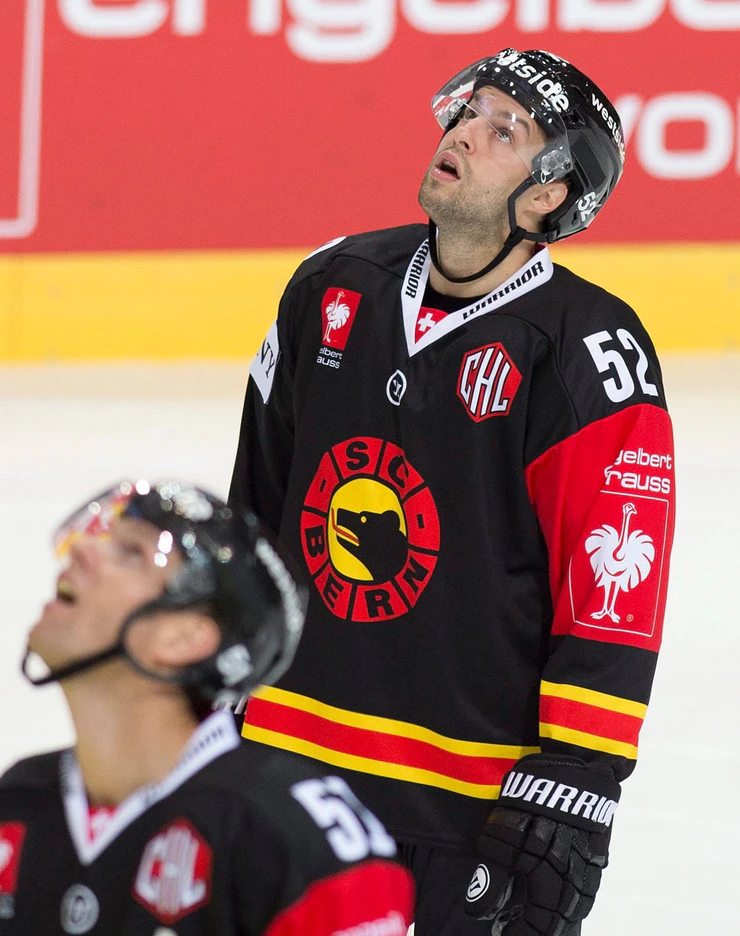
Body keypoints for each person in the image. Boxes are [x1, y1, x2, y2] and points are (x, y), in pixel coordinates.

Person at [229, 48, 675, 936]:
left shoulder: (588, 353)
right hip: (287, 768)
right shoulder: (331, 285)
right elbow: (255, 514)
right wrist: (210, 691)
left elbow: (612, 583)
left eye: (506, 130)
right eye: (470, 113)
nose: (466, 134)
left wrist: (577, 776)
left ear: (548, 195)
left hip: (467, 799)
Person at [0, 481, 413, 935]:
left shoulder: (302, 839)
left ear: (185, 638)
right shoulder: (17, 803)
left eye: (132, 554)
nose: (81, 550)